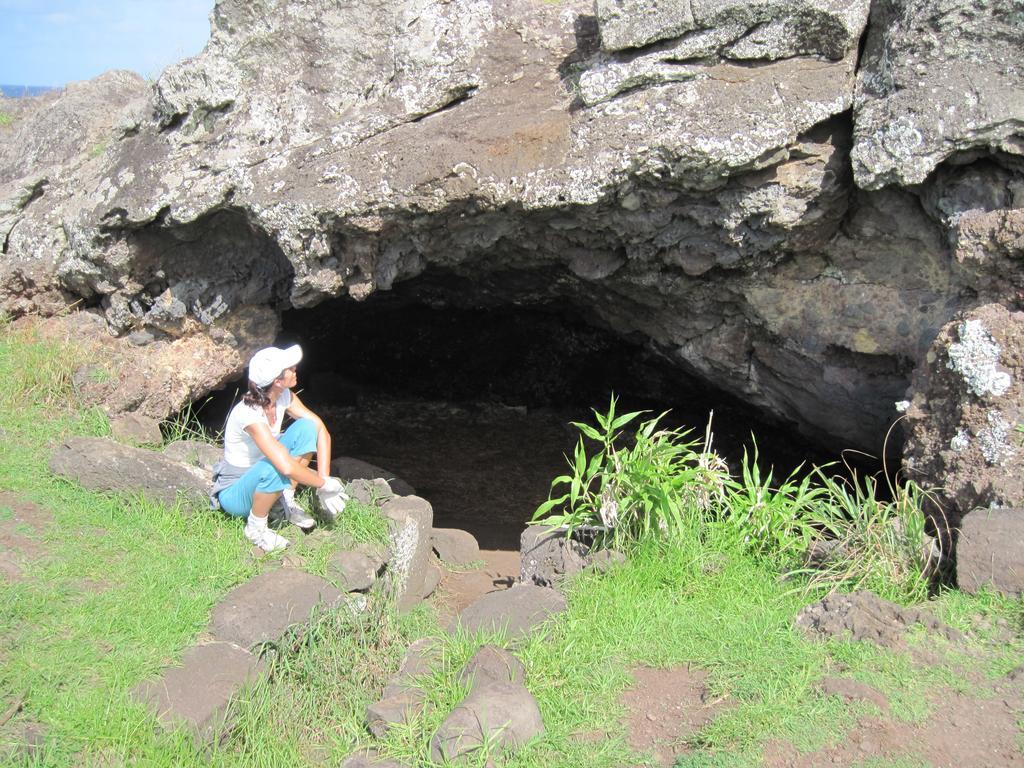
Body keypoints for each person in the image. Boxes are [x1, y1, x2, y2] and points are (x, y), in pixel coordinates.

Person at [210, 344, 347, 552]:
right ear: (277, 381)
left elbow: (320, 430)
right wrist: (322, 484)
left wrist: (324, 477)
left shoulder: (284, 396)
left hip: (263, 474)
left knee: (306, 428)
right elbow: (285, 467)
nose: (295, 370)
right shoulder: (249, 414)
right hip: (236, 492)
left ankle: (285, 502)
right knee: (275, 464)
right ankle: (256, 528)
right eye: (290, 369)